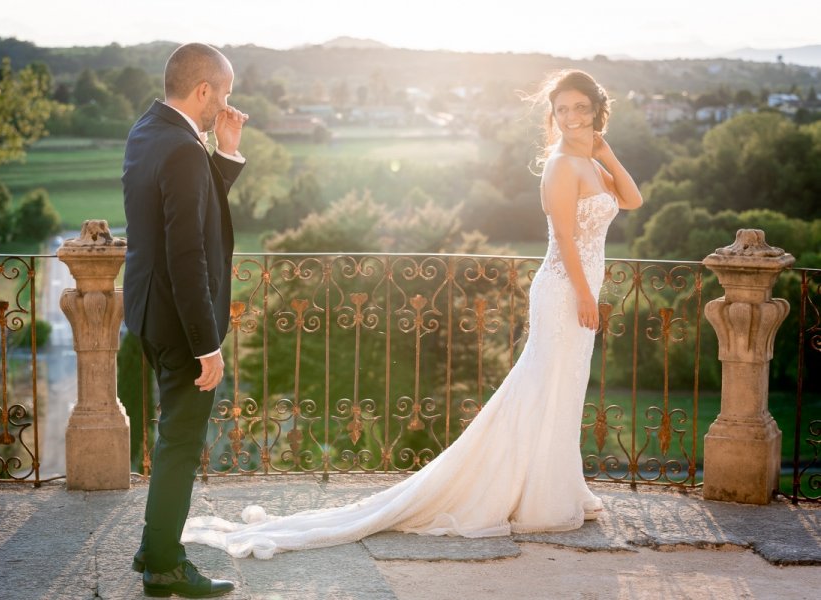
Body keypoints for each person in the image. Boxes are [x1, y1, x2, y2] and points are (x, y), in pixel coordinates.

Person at [181, 69, 643, 560]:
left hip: (580, 288)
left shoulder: (588, 163)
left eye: (581, 108)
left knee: (564, 388)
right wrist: (585, 296)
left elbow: (632, 200)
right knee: (543, 387)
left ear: (596, 111)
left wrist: (603, 150)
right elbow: (567, 239)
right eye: (562, 109)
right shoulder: (559, 167)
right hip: (564, 292)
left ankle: (559, 487)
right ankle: (537, 497)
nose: (571, 117)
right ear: (553, 114)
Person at [122, 42, 248, 598]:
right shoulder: (180, 150)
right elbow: (188, 254)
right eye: (224, 94)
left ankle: (154, 551)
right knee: (179, 443)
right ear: (204, 91)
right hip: (179, 324)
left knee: (172, 436)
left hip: (146, 314)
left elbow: (188, 205)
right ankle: (165, 566)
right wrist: (207, 344)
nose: (225, 104)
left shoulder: (148, 132)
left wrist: (225, 153)